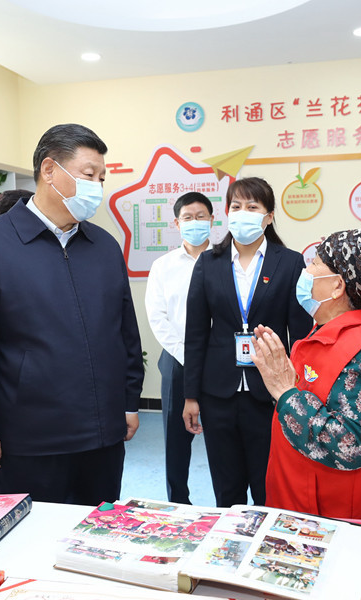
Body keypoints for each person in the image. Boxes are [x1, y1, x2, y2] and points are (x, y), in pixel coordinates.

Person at [0, 123, 144, 505]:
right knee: (32, 533)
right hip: (30, 437)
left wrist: (128, 401)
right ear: (49, 170)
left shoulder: (104, 246)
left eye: (101, 178)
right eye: (89, 174)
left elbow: (125, 333)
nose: (97, 187)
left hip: (103, 434)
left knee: (97, 528)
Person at [252, 228, 361, 522]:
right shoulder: (328, 333)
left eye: (315, 263)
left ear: (338, 286)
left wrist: (287, 393)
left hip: (337, 518)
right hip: (306, 502)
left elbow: (350, 444)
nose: (306, 271)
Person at [183, 177, 312, 507]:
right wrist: (191, 396)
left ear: (268, 216)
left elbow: (300, 335)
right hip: (218, 391)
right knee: (227, 487)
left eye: (252, 207)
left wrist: (297, 392)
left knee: (268, 484)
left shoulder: (289, 262)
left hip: (269, 392)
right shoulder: (208, 262)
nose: (242, 213)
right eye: (236, 206)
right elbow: (196, 333)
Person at [145, 191, 214, 504]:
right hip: (176, 359)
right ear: (176, 223)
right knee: (176, 439)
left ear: (212, 220)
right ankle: (178, 502)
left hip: (218, 360)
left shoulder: (224, 260)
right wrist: (189, 356)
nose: (194, 222)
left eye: (201, 216)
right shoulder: (163, 266)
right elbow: (157, 318)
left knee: (223, 437)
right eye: (188, 217)